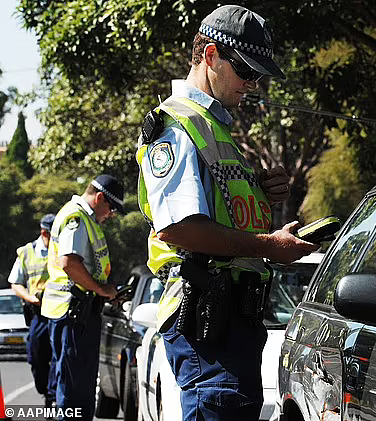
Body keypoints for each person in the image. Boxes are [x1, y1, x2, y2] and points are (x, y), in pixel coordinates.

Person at [136, 4, 319, 420]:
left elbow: (218, 210)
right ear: (211, 56)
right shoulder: (176, 126)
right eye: (246, 71)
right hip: (207, 319)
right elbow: (181, 228)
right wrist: (269, 245)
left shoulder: (214, 126)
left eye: (258, 75)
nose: (252, 84)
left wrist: (260, 193)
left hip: (231, 320)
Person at [40, 174, 123, 420]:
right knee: (73, 392)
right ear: (99, 198)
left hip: (78, 313)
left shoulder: (85, 218)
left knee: (78, 386)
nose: (111, 215)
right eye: (112, 209)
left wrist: (106, 291)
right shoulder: (76, 217)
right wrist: (101, 290)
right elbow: (69, 263)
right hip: (73, 313)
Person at [9, 213, 57, 407]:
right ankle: (44, 389)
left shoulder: (63, 250)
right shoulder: (27, 252)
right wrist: (30, 298)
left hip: (58, 311)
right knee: (36, 356)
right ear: (44, 232)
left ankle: (53, 398)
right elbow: (15, 283)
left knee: (58, 356)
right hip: (37, 313)